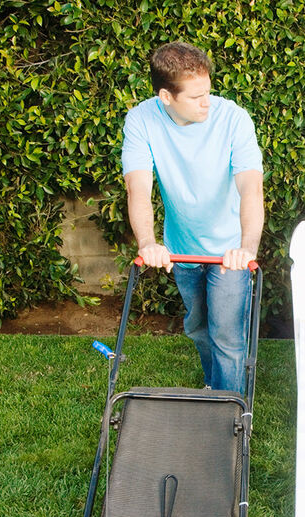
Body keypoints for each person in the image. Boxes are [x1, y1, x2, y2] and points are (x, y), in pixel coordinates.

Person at [121, 42, 264, 393]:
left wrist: (246, 248)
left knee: (228, 337)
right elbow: (138, 188)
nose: (207, 103)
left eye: (209, 92)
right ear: (166, 96)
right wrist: (148, 243)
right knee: (198, 328)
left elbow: (251, 188)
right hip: (182, 249)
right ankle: (214, 387)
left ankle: (228, 416)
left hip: (230, 253)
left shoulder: (232, 119)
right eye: (197, 96)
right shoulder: (141, 120)